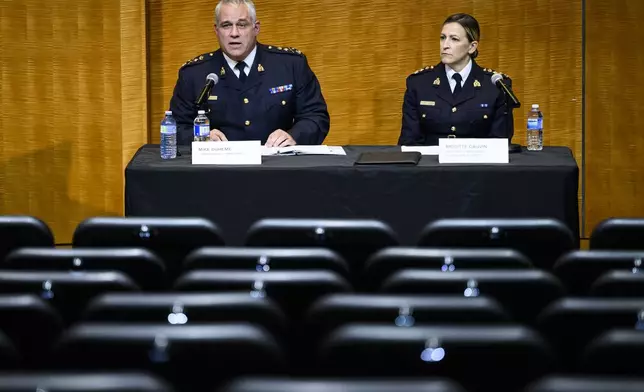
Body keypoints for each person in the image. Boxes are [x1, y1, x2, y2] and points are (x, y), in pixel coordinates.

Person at [169, 0, 330, 147]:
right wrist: (201, 137)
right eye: (226, 25)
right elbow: (176, 127)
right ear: (216, 30)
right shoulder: (194, 74)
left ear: (256, 28)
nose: (234, 33)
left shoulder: (290, 65)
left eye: (242, 24)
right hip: (216, 171)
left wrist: (293, 136)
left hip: (278, 167)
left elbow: (316, 116)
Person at [398, 13, 517, 146]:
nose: (445, 45)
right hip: (430, 164)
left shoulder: (495, 85)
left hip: (477, 164)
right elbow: (409, 142)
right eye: (443, 38)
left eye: (454, 39)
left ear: (472, 47)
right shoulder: (419, 83)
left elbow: (499, 144)